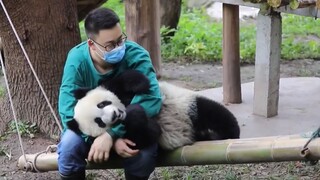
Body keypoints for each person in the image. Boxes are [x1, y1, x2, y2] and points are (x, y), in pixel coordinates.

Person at [57, 7, 162, 180]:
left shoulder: (136, 55)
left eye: (121, 40)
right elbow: (68, 109)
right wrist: (100, 138)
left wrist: (113, 134)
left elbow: (150, 100)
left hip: (130, 123)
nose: (119, 47)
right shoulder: (77, 60)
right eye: (111, 45)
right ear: (91, 44)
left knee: (141, 155)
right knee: (69, 146)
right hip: (90, 128)